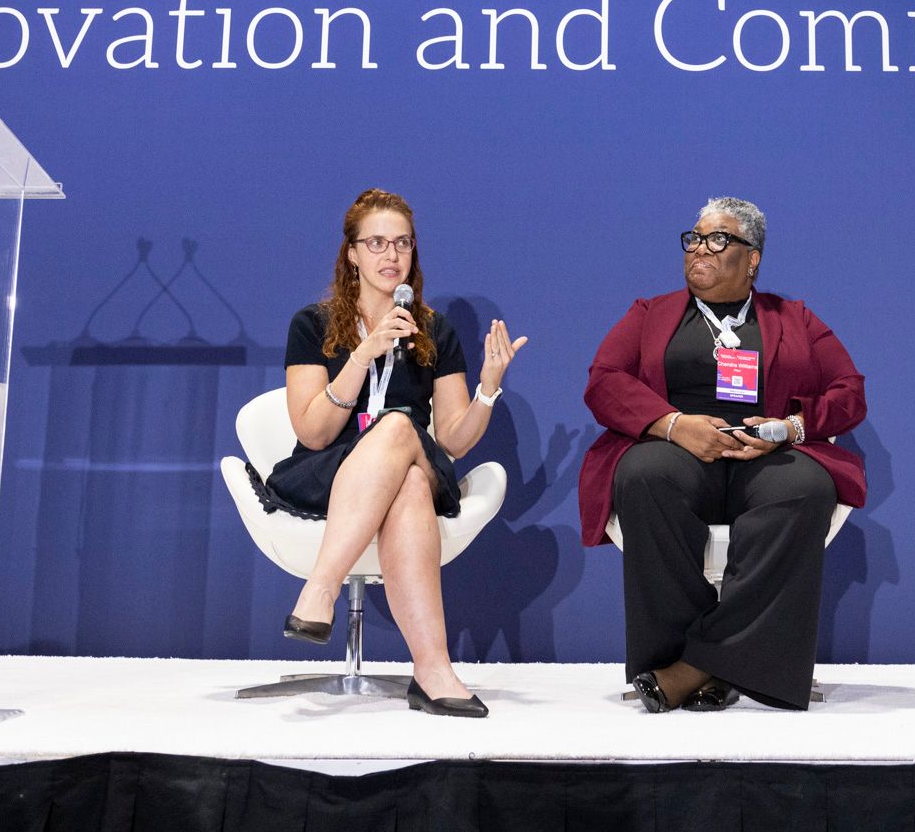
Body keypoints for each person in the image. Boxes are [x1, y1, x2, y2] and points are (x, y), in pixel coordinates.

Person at [579, 197, 867, 713]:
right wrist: (673, 425)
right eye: (693, 238)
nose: (699, 249)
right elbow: (604, 383)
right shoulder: (650, 314)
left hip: (765, 453)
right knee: (644, 477)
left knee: (804, 488)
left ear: (752, 257)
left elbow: (849, 392)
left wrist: (791, 428)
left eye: (718, 239)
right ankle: (705, 660)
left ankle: (692, 669)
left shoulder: (795, 318)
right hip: (677, 448)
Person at [269, 188, 526, 718]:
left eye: (402, 244)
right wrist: (362, 354)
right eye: (378, 243)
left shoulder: (434, 331)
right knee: (405, 474)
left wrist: (488, 387)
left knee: (399, 430)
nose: (392, 256)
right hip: (329, 468)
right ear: (352, 255)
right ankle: (433, 671)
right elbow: (313, 432)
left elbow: (454, 439)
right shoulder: (311, 326)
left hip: (413, 453)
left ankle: (320, 593)